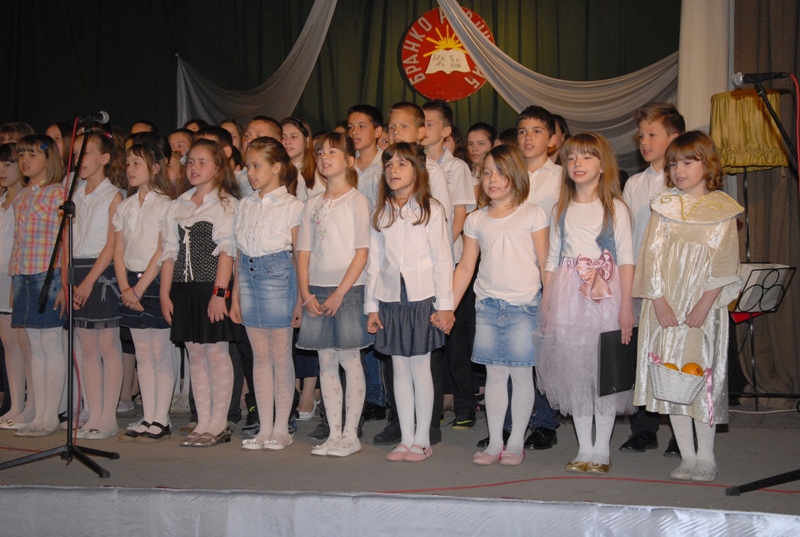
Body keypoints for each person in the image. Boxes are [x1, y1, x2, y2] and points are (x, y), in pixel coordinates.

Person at [633, 131, 742, 483]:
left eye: (688, 162)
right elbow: (650, 258)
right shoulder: (664, 206)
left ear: (707, 165)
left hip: (701, 309)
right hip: (666, 308)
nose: (679, 170)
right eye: (673, 164)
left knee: (700, 379)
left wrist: (704, 305)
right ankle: (687, 455)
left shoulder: (723, 210)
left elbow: (725, 264)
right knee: (670, 379)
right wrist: (659, 301)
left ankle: (706, 456)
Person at [535, 133, 635, 475]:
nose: (578, 163)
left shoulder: (615, 208)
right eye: (572, 157)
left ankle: (602, 448)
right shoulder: (560, 209)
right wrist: (547, 302)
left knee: (602, 369)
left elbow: (626, 258)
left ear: (603, 165)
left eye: (587, 157)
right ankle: (584, 447)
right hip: (567, 295)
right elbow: (552, 259)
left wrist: (626, 307)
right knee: (575, 370)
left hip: (605, 295)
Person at [453, 145, 549, 466]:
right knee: (494, 376)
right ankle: (495, 442)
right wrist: (448, 307)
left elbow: (545, 262)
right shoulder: (476, 219)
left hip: (524, 306)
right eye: (487, 173)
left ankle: (516, 442)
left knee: (521, 375)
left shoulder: (533, 214)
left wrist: (549, 305)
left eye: (501, 172)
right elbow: (466, 266)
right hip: (488, 307)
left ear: (516, 175)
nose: (492, 179)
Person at [366, 142, 454, 462]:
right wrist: (371, 307)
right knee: (398, 367)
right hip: (391, 299)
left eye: (402, 164)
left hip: (421, 298)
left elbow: (443, 260)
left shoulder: (431, 210)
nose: (393, 170)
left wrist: (445, 305)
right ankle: (405, 438)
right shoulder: (381, 212)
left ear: (417, 171)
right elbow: (374, 264)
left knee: (420, 366)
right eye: (389, 165)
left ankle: (422, 439)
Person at [160, 139, 241, 448]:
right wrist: (165, 294)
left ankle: (219, 422)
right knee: (194, 353)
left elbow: (227, 253)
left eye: (202, 162)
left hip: (211, 287)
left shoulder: (225, 204)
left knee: (216, 353)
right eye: (190, 161)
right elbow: (169, 253)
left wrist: (220, 294)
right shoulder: (177, 205)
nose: (194, 167)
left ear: (218, 167)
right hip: (183, 289)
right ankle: (203, 420)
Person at [296, 132, 372, 457]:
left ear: (350, 161)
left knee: (350, 360)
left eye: (332, 152)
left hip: (348, 290)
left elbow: (362, 252)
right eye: (320, 153)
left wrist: (340, 293)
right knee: (325, 361)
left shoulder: (357, 201)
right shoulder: (311, 203)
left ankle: (351, 434)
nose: (324, 157)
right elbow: (303, 251)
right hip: (316, 290)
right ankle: (334, 432)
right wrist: (305, 294)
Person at [620, 102, 685, 456]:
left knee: (675, 355)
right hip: (641, 281)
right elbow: (627, 236)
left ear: (674, 137)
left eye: (652, 134)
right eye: (641, 136)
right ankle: (644, 429)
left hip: (675, 283)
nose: (644, 142)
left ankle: (681, 431)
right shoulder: (635, 183)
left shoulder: (685, 181)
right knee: (641, 357)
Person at [230, 137, 303, 451]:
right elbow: (237, 253)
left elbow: (299, 255)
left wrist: (300, 298)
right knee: (259, 357)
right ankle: (264, 426)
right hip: (248, 275)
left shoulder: (293, 206)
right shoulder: (245, 204)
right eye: (248, 166)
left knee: (280, 355)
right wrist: (235, 295)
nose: (250, 172)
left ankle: (281, 427)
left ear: (276, 167)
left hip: (278, 275)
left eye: (256, 166)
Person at [114, 142, 176, 443]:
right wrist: (125, 287)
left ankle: (161, 418)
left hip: (154, 281)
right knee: (142, 352)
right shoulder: (125, 206)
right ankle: (148, 415)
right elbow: (118, 250)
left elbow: (163, 249)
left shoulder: (166, 204)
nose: (130, 169)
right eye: (128, 163)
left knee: (160, 351)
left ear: (154, 168)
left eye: (137, 163)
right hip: (130, 283)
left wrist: (139, 289)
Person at [422, 100, 477, 430]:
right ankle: (437, 403)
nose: (423, 129)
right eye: (421, 123)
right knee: (431, 339)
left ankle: (465, 404)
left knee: (456, 338)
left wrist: (439, 251)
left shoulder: (457, 168)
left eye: (430, 123)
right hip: (422, 266)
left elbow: (460, 216)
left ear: (445, 131)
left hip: (452, 262)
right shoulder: (415, 164)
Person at [69, 129, 126, 440]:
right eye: (76, 153)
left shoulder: (113, 195)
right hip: (77, 270)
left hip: (101, 273)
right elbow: (67, 238)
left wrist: (90, 280)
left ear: (104, 158)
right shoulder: (75, 194)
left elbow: (111, 243)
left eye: (86, 153)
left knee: (107, 345)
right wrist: (69, 279)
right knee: (87, 347)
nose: (80, 159)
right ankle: (94, 412)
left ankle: (108, 416)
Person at [9, 134, 66, 437]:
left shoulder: (59, 194)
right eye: (21, 155)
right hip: (23, 275)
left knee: (51, 344)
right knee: (34, 347)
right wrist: (14, 279)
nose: (25, 161)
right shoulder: (21, 196)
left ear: (49, 159)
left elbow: (66, 240)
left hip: (49, 274)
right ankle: (39, 412)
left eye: (32, 155)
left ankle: (50, 415)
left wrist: (65, 281)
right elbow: (18, 242)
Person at [517, 105, 563, 450]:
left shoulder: (562, 177)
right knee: (512, 354)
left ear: (552, 139)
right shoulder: (506, 173)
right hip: (510, 273)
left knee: (545, 352)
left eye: (536, 131)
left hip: (548, 272)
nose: (528, 137)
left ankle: (545, 423)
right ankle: (511, 423)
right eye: (522, 131)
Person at [0, 143, 33, 430]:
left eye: (8, 164)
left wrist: (16, 277)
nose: (3, 170)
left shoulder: (25, 198)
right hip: (1, 278)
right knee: (9, 343)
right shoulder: (1, 201)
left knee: (25, 343)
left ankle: (32, 404)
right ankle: (15, 405)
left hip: (18, 277)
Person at [347, 104, 384, 211]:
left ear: (377, 132)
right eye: (350, 127)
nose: (354, 132)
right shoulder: (345, 164)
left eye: (361, 126)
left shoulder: (387, 164)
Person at [281, 118, 325, 204]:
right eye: (283, 137)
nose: (287, 142)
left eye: (293, 137)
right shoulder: (276, 171)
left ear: (307, 141)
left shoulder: (320, 170)